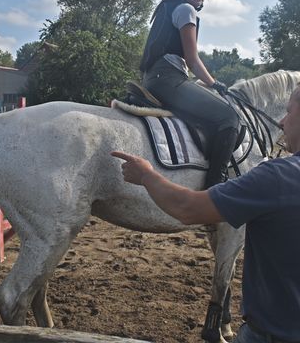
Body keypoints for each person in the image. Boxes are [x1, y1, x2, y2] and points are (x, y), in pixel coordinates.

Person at [111, 84, 300, 342]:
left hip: (272, 333)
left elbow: (187, 209)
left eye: (289, 112)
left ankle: (216, 182)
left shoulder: (277, 176)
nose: (281, 121)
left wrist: (146, 175)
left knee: (228, 119)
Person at [139, 0, 239, 188]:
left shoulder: (171, 7)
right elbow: (192, 60)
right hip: (168, 79)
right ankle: (215, 185)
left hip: (156, 78)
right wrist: (215, 84)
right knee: (229, 117)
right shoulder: (186, 10)